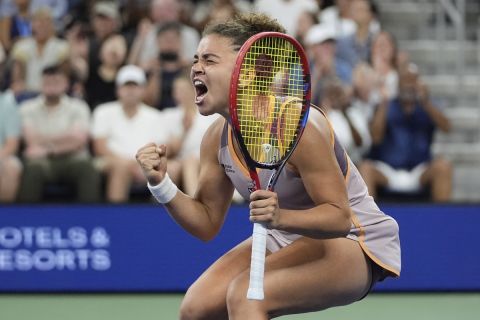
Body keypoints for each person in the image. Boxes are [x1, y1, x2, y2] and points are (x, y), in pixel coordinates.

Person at [136, 13, 400, 319]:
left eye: (209, 60)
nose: (196, 67)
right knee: (196, 309)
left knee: (246, 296)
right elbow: (207, 223)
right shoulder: (215, 140)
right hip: (284, 233)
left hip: (354, 239)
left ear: (249, 71)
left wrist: (281, 216)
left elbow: (340, 217)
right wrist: (161, 183)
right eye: (196, 59)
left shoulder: (299, 128)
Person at [360, 64, 452, 202]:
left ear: (418, 83)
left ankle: (442, 221)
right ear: (398, 83)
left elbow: (447, 127)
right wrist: (384, 103)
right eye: (405, 80)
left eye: (412, 80)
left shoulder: (427, 105)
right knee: (365, 168)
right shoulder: (386, 106)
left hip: (419, 169)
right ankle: (368, 222)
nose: (408, 85)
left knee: (443, 167)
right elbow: (375, 138)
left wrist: (426, 102)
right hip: (388, 170)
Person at [18, 65, 100, 203]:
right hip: (40, 161)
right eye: (47, 82)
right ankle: (27, 221)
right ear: (41, 84)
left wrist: (48, 148)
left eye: (56, 82)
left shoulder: (79, 107)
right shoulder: (27, 108)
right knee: (33, 168)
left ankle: (90, 220)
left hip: (72, 159)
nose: (51, 86)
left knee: (87, 167)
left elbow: (79, 140)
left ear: (66, 84)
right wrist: (66, 137)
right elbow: (31, 140)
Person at [91, 64, 172, 203]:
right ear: (118, 89)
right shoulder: (103, 111)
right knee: (121, 169)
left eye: (135, 86)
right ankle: (116, 218)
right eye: (126, 86)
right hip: (111, 162)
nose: (130, 91)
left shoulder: (155, 116)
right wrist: (130, 165)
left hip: (146, 164)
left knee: (171, 168)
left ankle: (160, 219)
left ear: (143, 90)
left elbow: (160, 149)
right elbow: (100, 148)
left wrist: (145, 167)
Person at [0, 89, 22, 202]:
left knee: (11, 167)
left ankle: (3, 216)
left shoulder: (7, 103)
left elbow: (12, 144)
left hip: (1, 154)